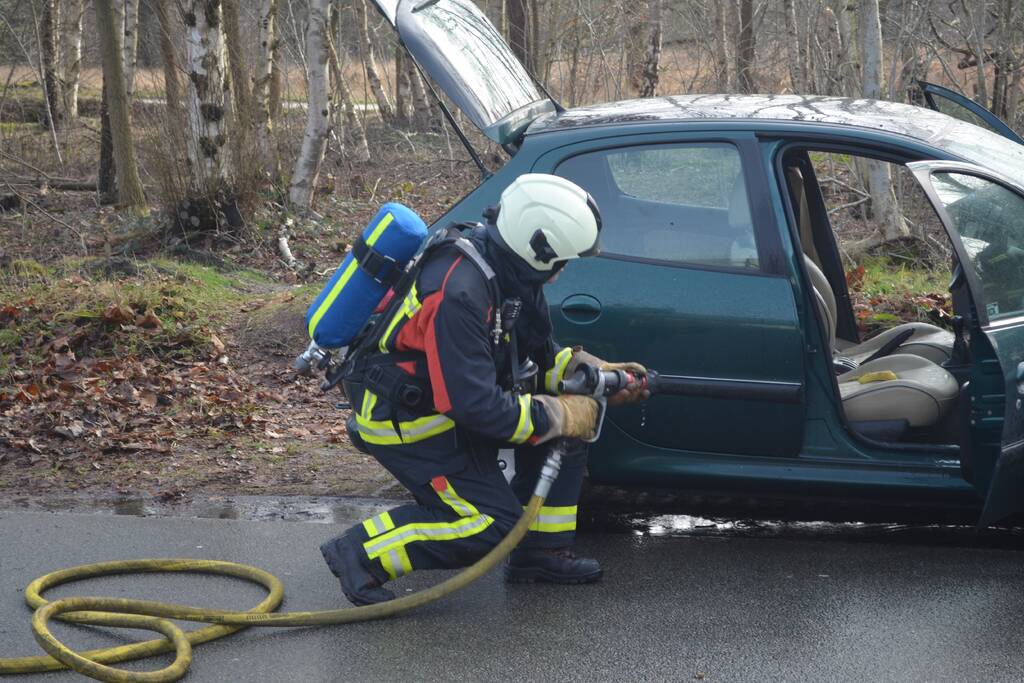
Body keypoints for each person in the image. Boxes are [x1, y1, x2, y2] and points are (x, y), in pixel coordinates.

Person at [320, 174, 648, 605]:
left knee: (567, 433)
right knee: (492, 525)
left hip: (448, 406)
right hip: (409, 422)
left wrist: (589, 372)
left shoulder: (510, 274)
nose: (562, 271)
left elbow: (532, 358)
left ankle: (539, 553)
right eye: (561, 261)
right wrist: (560, 413)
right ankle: (362, 553)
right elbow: (473, 405)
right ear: (539, 248)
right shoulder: (458, 292)